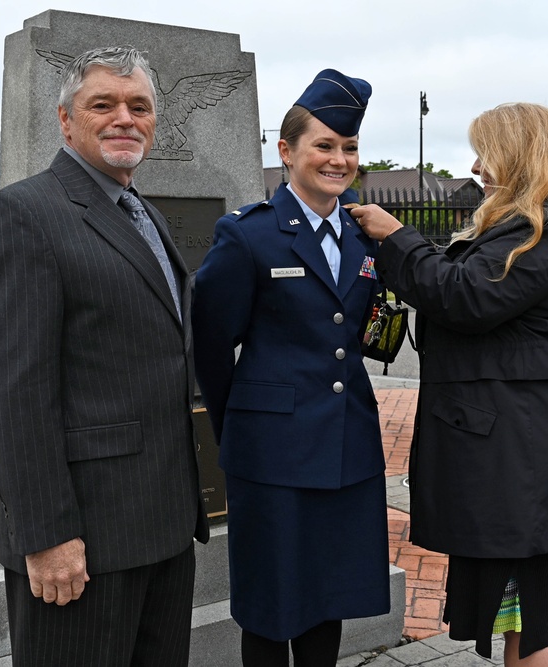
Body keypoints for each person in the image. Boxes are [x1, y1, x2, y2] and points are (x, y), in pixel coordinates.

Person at [0, 46, 209, 666]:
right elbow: (12, 392)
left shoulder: (143, 214)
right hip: (82, 543)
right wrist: (49, 535)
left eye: (139, 106)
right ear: (65, 120)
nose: (124, 118)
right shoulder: (23, 214)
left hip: (162, 528)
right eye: (102, 104)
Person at [351, 103, 548, 666]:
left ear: (516, 154)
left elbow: (465, 296)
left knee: (535, 622)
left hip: (525, 458)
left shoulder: (543, 224)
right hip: (531, 448)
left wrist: (398, 238)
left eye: (485, 154)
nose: (475, 166)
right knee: (527, 618)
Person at [192, 69, 389, 667]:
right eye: (324, 146)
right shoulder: (248, 235)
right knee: (270, 604)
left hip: (346, 444)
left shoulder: (365, 234)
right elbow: (211, 345)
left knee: (328, 597)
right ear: (286, 151)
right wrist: (244, 427)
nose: (338, 159)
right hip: (272, 452)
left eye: (348, 147)